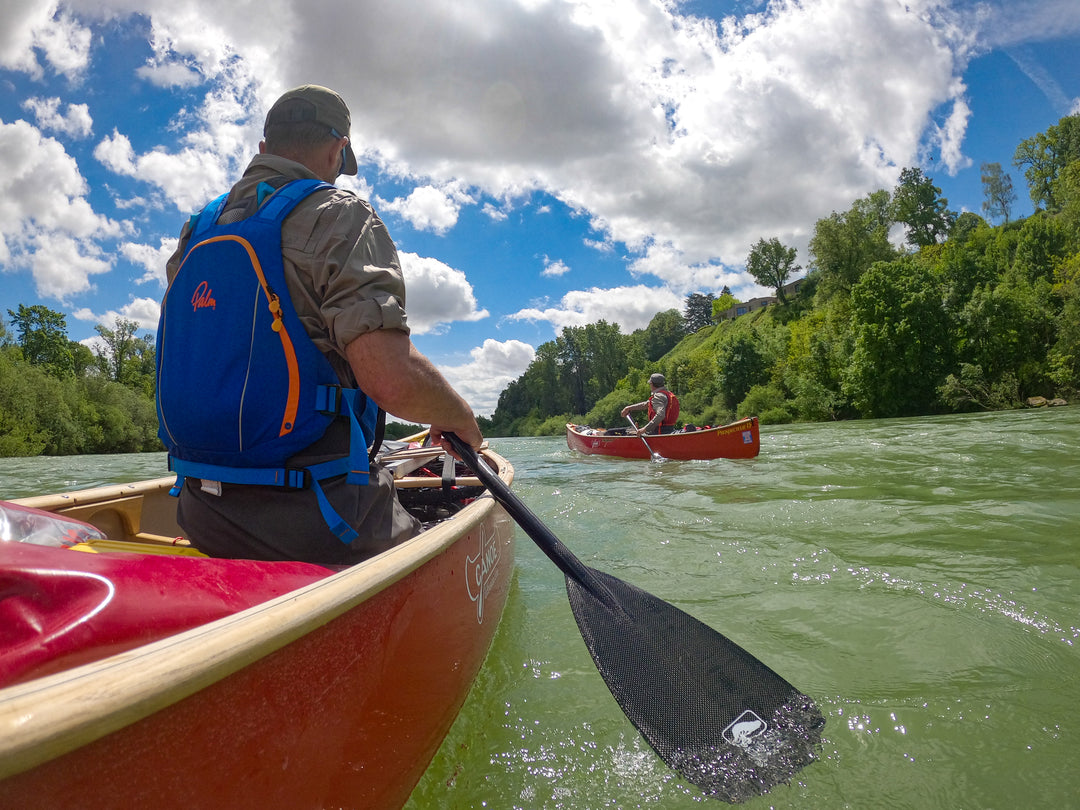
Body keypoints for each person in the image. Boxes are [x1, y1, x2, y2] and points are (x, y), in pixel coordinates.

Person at [156, 84, 482, 566]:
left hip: (201, 512)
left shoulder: (196, 232)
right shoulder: (342, 216)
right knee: (432, 519)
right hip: (321, 520)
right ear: (337, 149)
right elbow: (388, 377)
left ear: (264, 149)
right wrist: (460, 419)